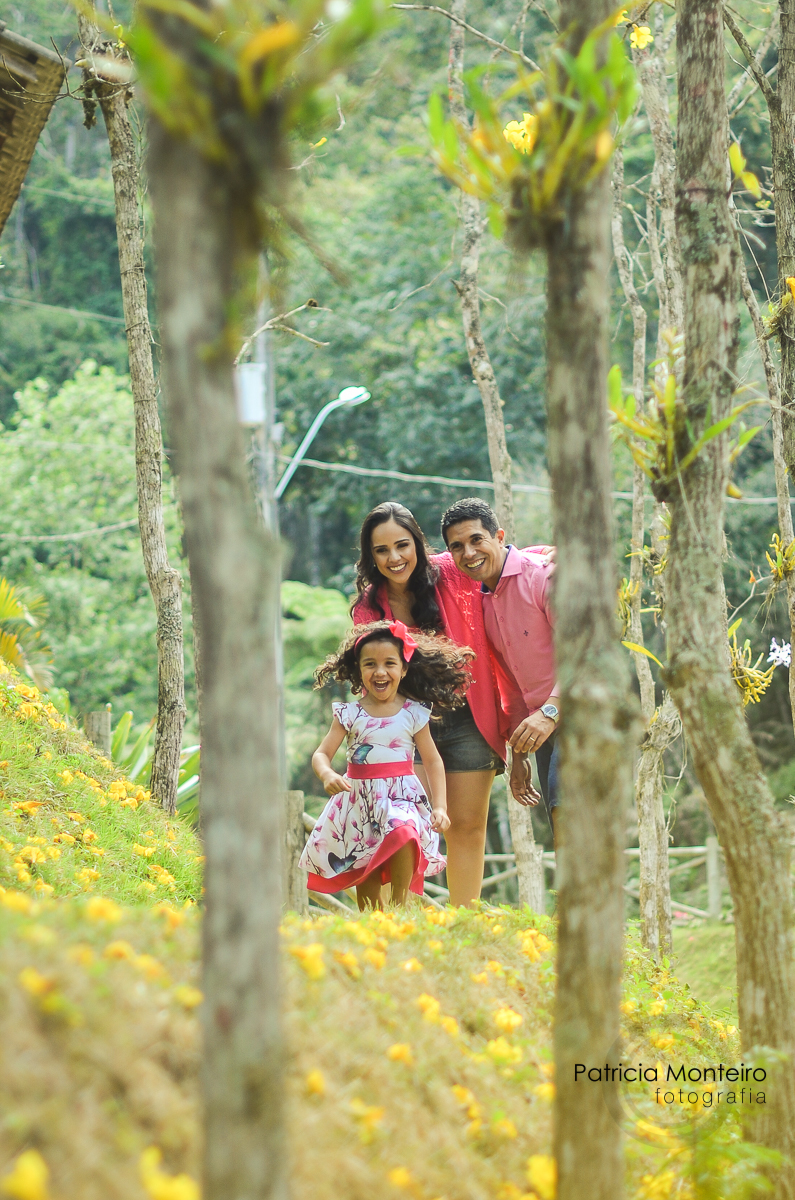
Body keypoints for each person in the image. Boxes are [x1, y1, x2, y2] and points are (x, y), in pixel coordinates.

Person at [352, 502, 550, 906]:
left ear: (418, 545)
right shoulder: (369, 608)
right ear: (370, 557)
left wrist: (546, 553)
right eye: (382, 550)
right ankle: (396, 923)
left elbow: (494, 558)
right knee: (401, 826)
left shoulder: (450, 571)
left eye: (402, 545)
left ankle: (463, 922)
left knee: (467, 828)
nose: (394, 558)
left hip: (469, 719)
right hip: (407, 727)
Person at [301, 619, 471, 909]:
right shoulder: (349, 714)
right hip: (359, 800)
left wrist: (440, 806)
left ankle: (399, 904)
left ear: (403, 669)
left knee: (404, 831)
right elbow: (321, 754)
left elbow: (432, 761)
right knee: (366, 862)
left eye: (389, 663)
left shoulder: (413, 713)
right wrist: (327, 774)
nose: (380, 672)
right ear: (359, 670)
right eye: (370, 664)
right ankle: (374, 918)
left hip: (401, 795)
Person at [440, 497, 561, 848]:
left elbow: (587, 655)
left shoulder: (544, 576)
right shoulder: (483, 603)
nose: (469, 553)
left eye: (477, 539)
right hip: (544, 729)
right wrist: (519, 753)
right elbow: (513, 683)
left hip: (582, 714)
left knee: (568, 817)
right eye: (457, 547)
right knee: (562, 826)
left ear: (499, 536)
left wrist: (550, 714)